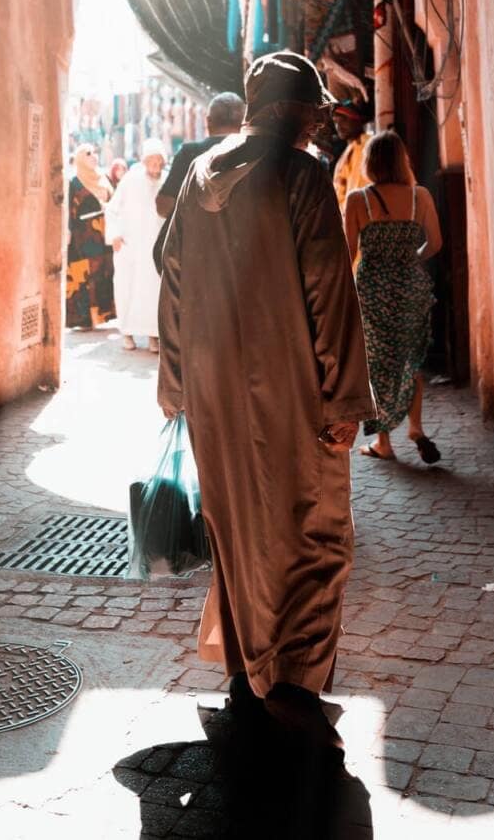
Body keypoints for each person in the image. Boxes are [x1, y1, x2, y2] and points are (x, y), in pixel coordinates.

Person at [157, 51, 374, 747]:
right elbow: (328, 290)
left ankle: (248, 672)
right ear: (296, 111)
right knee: (314, 533)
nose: (318, 124)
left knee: (238, 529)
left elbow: (174, 279)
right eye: (314, 112)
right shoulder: (303, 177)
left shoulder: (199, 175)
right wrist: (344, 397)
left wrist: (176, 380)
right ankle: (292, 685)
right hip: (293, 386)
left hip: (214, 390)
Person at [344, 129, 443, 463]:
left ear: (370, 162)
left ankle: (383, 443)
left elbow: (349, 251)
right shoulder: (421, 197)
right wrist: (409, 259)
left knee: (376, 365)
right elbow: (436, 243)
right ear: (403, 161)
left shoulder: (359, 200)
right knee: (411, 361)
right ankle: (415, 427)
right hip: (411, 287)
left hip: (373, 290)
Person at [152, 91, 246, 273]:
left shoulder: (189, 153)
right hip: (243, 258)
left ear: (208, 121)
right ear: (244, 123)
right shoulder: (255, 154)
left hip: (197, 259)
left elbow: (163, 205)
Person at [106, 138, 166, 351]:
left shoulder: (166, 181)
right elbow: (112, 208)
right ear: (144, 161)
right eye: (153, 161)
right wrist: (114, 235)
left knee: (154, 292)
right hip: (130, 245)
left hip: (154, 248)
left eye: (160, 162)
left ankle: (153, 336)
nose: (156, 166)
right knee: (126, 289)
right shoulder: (131, 179)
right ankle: (127, 334)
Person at [65, 145, 115, 330]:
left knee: (104, 272)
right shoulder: (74, 182)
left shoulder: (104, 178)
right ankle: (84, 318)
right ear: (79, 158)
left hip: (105, 235)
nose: (93, 156)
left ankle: (103, 314)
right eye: (88, 154)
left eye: (95, 152)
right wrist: (68, 231)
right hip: (83, 237)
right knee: (85, 276)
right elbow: (68, 210)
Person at [331, 100, 371, 211]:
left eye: (344, 120)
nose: (338, 126)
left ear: (357, 120)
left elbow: (359, 188)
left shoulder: (366, 145)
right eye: (335, 122)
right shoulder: (347, 152)